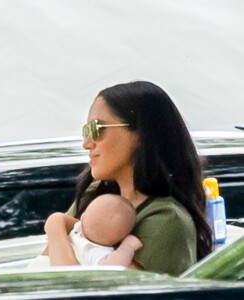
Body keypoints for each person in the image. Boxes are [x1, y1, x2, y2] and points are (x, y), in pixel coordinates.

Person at [45, 81, 213, 276]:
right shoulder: (95, 195)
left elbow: (74, 290)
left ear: (140, 133)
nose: (87, 143)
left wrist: (56, 224)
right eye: (86, 131)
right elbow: (44, 263)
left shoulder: (166, 220)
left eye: (96, 128)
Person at [28, 194, 142, 268]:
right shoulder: (98, 251)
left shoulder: (89, 245)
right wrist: (127, 247)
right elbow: (114, 265)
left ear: (82, 217)